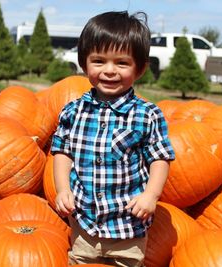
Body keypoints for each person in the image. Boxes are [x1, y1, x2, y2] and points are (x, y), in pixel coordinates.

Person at [51, 10, 175, 267]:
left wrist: (151, 195)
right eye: (99, 61)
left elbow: (160, 157)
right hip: (84, 221)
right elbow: (62, 151)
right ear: (84, 64)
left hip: (127, 225)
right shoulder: (72, 111)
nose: (109, 71)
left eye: (121, 63)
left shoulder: (147, 114)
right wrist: (63, 189)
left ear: (139, 69)